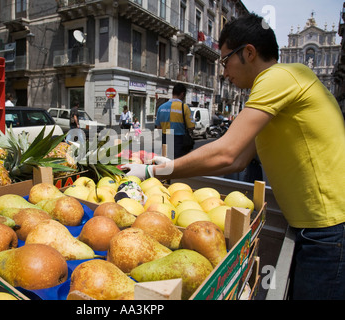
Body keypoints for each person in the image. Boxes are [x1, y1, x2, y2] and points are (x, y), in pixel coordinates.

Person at [123, 13, 345, 300]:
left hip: (328, 230)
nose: (223, 72)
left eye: (225, 60)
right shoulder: (275, 89)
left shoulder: (278, 78)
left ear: (249, 53)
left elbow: (228, 151)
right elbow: (239, 159)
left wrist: (155, 173)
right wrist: (169, 168)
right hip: (314, 228)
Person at [155, 83, 194, 159]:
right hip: (179, 140)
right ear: (183, 94)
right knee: (177, 163)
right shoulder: (185, 107)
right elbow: (191, 127)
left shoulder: (161, 107)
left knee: (165, 161)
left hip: (165, 138)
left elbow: (158, 127)